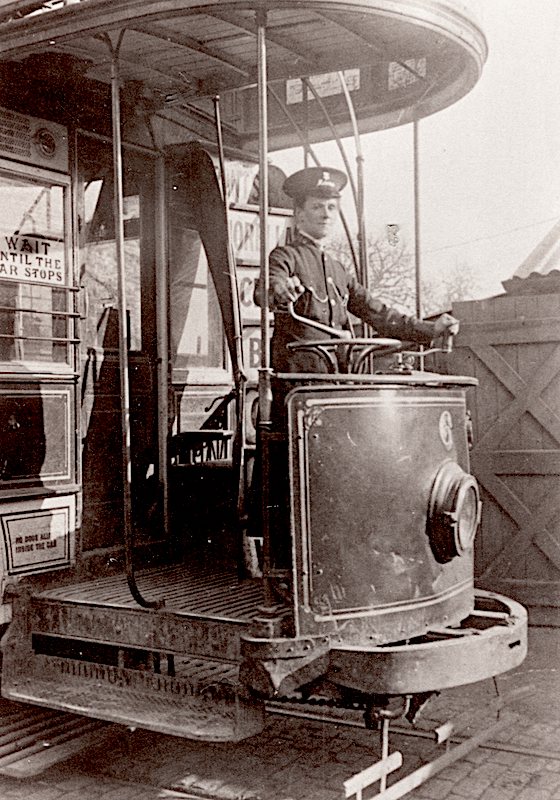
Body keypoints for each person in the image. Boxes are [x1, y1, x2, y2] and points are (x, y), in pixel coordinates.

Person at [256, 166, 459, 376]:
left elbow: (379, 314)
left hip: (339, 378)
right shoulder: (285, 256)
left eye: (332, 208)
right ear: (299, 214)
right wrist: (279, 289)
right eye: (317, 207)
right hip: (298, 383)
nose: (326, 215)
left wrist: (431, 329)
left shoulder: (338, 271)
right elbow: (267, 288)